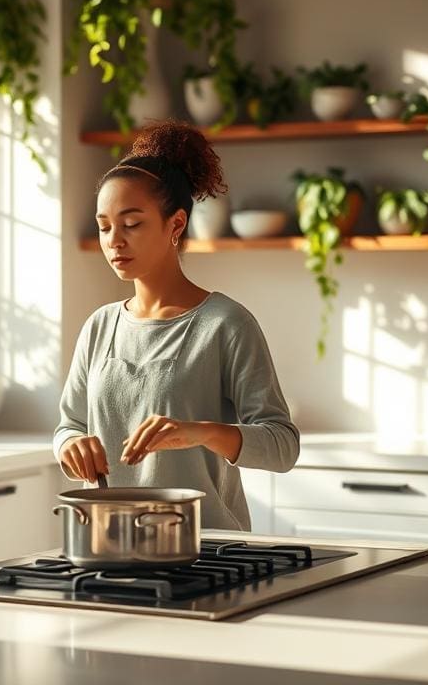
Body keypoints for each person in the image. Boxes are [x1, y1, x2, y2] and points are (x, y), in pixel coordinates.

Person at [53, 119, 299, 530]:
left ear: (176, 224)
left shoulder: (225, 324)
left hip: (211, 552)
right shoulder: (99, 327)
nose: (114, 240)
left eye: (131, 224)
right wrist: (71, 446)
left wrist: (202, 432)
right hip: (112, 548)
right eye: (104, 226)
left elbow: (282, 445)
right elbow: (68, 425)